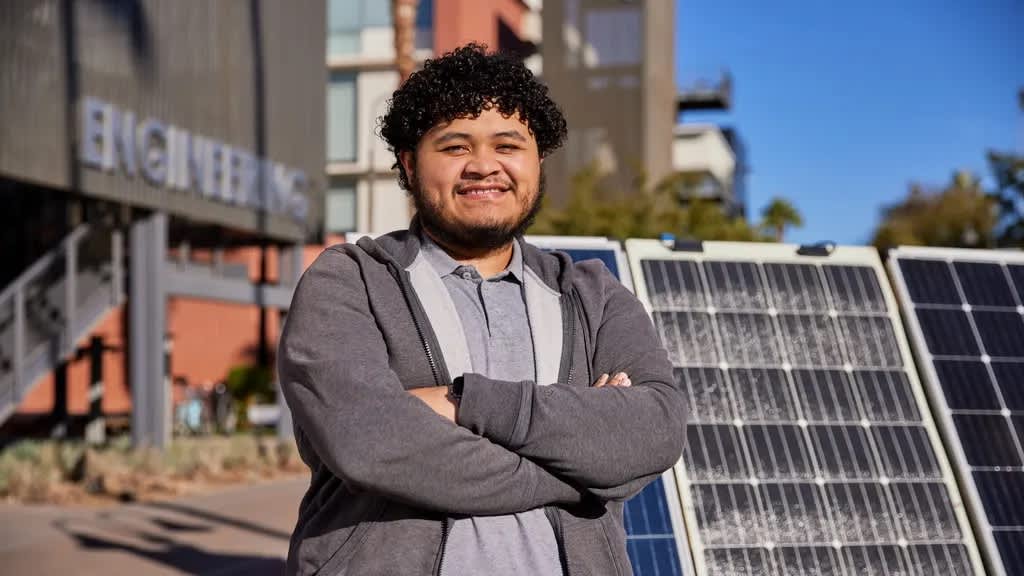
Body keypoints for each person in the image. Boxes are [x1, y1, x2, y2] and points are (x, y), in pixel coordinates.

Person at [278, 43, 687, 576]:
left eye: (507, 144)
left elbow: (654, 428)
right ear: (409, 163)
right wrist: (581, 466)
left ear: (537, 161)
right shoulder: (349, 281)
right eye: (454, 147)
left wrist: (465, 403)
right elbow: (370, 442)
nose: (483, 166)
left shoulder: (593, 294)